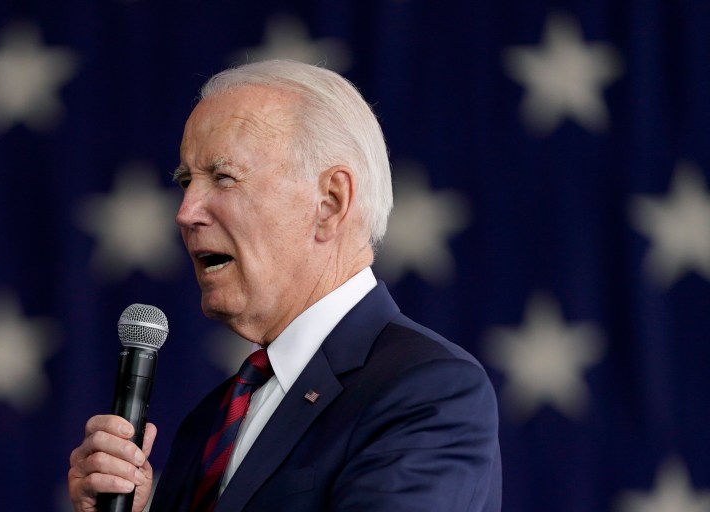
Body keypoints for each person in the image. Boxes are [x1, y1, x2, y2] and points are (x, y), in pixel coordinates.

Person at [68, 59, 501, 512]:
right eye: (185, 182)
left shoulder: (428, 390)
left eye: (223, 177)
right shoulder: (209, 424)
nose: (185, 211)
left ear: (330, 202)